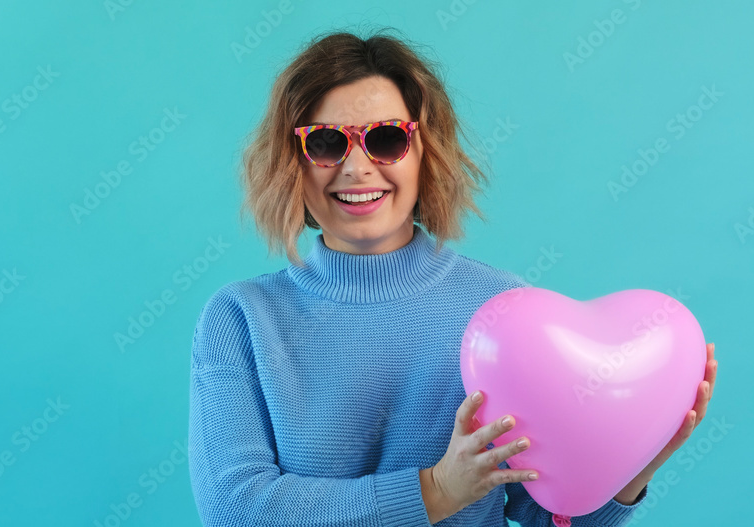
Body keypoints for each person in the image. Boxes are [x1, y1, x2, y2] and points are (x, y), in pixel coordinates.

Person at [188, 28, 718, 526]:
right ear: (292, 162)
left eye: (387, 139)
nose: (356, 167)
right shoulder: (240, 319)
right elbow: (236, 507)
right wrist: (437, 490)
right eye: (325, 143)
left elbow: (544, 513)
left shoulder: (506, 313)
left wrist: (630, 474)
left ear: (425, 152)